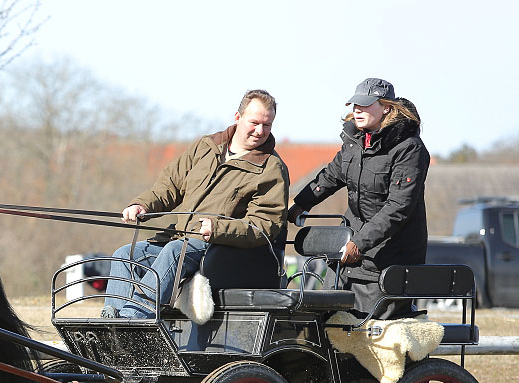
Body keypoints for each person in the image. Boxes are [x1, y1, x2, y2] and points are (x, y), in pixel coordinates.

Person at [102, 89, 290, 318]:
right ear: (238, 117)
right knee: (125, 254)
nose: (260, 131)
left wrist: (218, 229)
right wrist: (142, 205)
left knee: (175, 252)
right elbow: (170, 185)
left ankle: (133, 319)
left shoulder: (271, 169)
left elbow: (264, 225)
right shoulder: (206, 147)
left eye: (267, 125)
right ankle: (111, 322)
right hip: (181, 238)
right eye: (254, 122)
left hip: (223, 249)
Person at [288, 78, 429, 320]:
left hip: (387, 259)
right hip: (349, 253)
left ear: (386, 107)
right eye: (355, 105)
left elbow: (398, 208)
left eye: (364, 105)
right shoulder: (355, 143)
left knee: (366, 332)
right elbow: (330, 176)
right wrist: (298, 205)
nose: (357, 110)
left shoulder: (409, 149)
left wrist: (359, 244)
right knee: (324, 318)